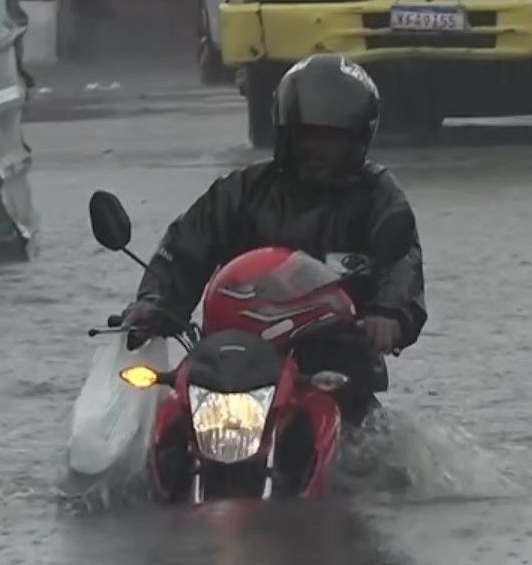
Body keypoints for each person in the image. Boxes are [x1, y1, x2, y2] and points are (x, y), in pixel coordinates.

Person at [118, 54, 427, 426]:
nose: (316, 147)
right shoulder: (242, 192)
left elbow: (401, 259)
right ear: (286, 132)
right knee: (170, 423)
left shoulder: (378, 196)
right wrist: (154, 303)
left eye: (331, 137)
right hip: (234, 363)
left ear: (357, 139)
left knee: (374, 458)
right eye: (306, 133)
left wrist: (389, 312)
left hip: (334, 366)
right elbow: (185, 248)